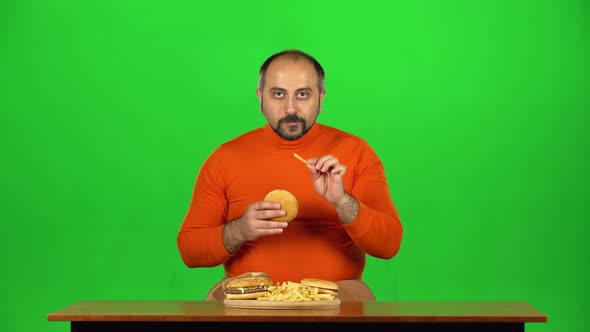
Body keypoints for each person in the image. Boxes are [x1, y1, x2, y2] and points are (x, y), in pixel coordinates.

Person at [177, 49, 403, 301]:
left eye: (303, 94)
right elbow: (190, 250)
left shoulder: (357, 152)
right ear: (260, 97)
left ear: (321, 98)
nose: (291, 108)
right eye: (278, 94)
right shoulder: (225, 158)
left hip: (336, 294)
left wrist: (342, 202)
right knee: (217, 301)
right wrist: (240, 230)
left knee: (359, 301)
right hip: (249, 294)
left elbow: (389, 244)